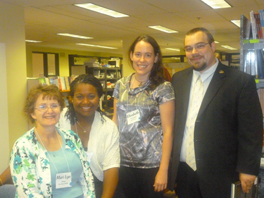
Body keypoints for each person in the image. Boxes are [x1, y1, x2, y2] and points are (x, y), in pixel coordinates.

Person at [168, 27, 263, 198]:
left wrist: (248, 169)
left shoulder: (240, 82)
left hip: (221, 174)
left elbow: (251, 131)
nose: (194, 52)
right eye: (188, 48)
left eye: (200, 46)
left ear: (213, 46)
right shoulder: (178, 80)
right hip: (184, 173)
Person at [112, 35, 175, 198]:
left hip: (151, 165)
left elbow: (168, 131)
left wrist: (163, 169)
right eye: (138, 54)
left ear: (156, 58)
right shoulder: (120, 85)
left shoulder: (163, 88)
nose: (142, 59)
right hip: (123, 162)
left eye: (148, 55)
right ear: (131, 55)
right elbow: (115, 121)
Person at [10, 84, 95, 198]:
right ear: (32, 113)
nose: (49, 110)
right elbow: (28, 193)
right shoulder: (23, 146)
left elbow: (87, 177)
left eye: (54, 105)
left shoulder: (72, 138)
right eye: (42, 106)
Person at [58, 74, 120, 198]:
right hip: (61, 185)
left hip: (97, 186)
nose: (85, 102)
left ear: (99, 98)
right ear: (71, 98)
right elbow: (34, 145)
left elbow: (111, 168)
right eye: (79, 97)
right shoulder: (58, 119)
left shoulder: (108, 127)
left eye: (91, 96)